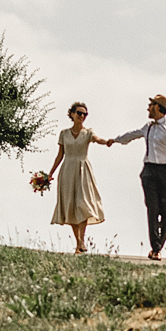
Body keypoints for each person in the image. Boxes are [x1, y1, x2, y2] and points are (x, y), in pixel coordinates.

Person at [110, 94, 166, 260]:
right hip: (149, 171)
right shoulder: (148, 127)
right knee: (152, 209)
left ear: (158, 107)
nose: (148, 109)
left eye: (150, 105)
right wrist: (114, 140)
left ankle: (159, 243)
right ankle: (155, 248)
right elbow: (132, 135)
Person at [47, 102, 108, 253]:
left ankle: (82, 241)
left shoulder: (88, 133)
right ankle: (79, 243)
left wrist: (107, 142)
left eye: (84, 114)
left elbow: (97, 138)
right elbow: (60, 155)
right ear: (72, 114)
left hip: (83, 170)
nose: (82, 116)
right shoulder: (64, 133)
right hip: (67, 170)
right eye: (79, 113)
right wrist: (50, 174)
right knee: (71, 206)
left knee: (83, 203)